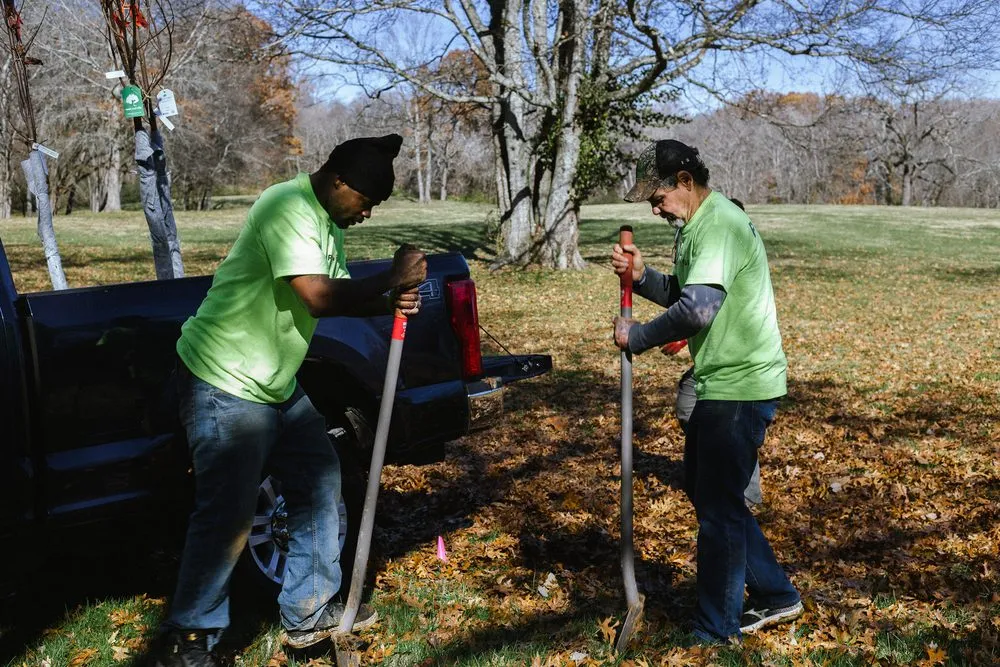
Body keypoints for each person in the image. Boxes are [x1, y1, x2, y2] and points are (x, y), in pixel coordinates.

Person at [148, 134, 428, 667]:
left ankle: (308, 611)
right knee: (227, 515)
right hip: (224, 379)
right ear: (339, 181)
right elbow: (316, 296)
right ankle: (189, 641)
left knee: (319, 482)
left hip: (275, 384)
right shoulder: (286, 206)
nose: (367, 213)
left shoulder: (326, 222)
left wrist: (390, 300)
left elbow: (338, 297)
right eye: (366, 201)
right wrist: (392, 275)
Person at [610, 140, 801, 644]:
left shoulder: (718, 225)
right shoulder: (698, 226)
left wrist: (637, 336)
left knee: (717, 508)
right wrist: (642, 277)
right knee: (710, 493)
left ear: (685, 182)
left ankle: (715, 631)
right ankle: (776, 594)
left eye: (658, 198)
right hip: (722, 380)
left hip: (741, 385)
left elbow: (697, 311)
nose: (655, 209)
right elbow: (687, 293)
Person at [664, 198, 761, 509]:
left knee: (734, 432)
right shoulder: (704, 241)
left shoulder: (730, 247)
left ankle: (745, 494)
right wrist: (639, 278)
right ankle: (714, 476)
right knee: (689, 404)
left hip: (739, 363)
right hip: (713, 360)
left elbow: (707, 308)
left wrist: (644, 336)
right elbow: (687, 296)